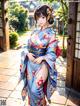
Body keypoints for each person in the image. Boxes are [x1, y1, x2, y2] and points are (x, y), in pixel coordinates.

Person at [19, 5, 59, 106]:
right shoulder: (34, 32)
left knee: (35, 90)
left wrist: (43, 57)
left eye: (43, 17)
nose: (40, 20)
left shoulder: (51, 34)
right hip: (30, 63)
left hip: (43, 64)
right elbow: (25, 46)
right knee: (30, 90)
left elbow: (52, 54)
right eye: (38, 17)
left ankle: (42, 104)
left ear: (48, 17)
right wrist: (27, 53)